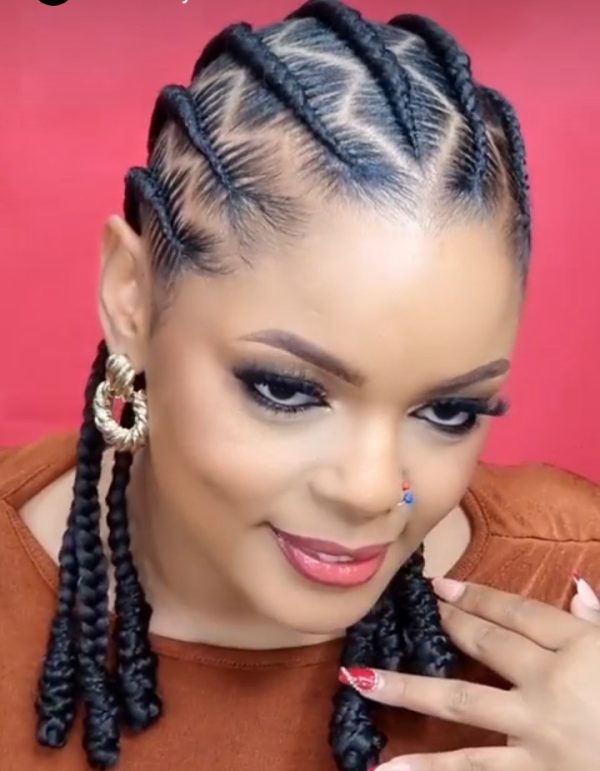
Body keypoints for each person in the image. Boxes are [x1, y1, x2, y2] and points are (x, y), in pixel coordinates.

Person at [1, 1, 599, 769]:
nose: (373, 490)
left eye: (449, 409)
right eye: (286, 390)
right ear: (134, 298)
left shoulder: (572, 591)